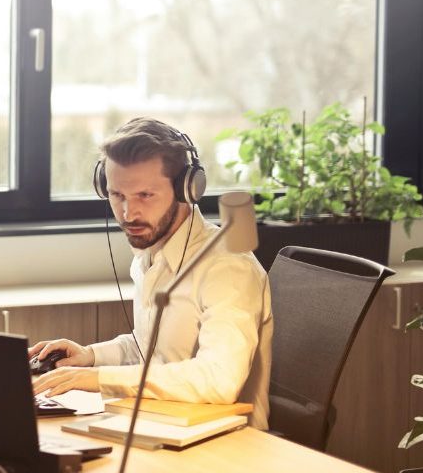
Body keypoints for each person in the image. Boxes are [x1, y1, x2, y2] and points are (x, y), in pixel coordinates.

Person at [30, 117, 272, 429]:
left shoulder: (228, 268)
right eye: (118, 196)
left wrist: (98, 378)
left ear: (187, 189)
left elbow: (219, 380)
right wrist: (90, 357)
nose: (129, 214)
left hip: (227, 444)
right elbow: (153, 350)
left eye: (145, 195)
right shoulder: (150, 253)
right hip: (161, 423)